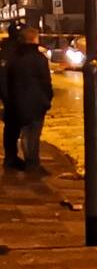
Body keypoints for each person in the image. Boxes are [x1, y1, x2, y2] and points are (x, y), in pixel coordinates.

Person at [5, 26, 53, 171]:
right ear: (34, 39)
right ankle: (32, 163)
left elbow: (8, 80)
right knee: (33, 133)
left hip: (17, 102)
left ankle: (19, 160)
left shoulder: (14, 58)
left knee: (23, 132)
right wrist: (47, 99)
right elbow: (46, 82)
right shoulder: (39, 59)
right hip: (36, 102)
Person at [1, 23, 22, 169]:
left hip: (10, 94)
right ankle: (11, 158)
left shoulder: (6, 48)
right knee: (12, 128)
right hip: (13, 95)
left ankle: (11, 156)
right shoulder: (13, 50)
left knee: (11, 127)